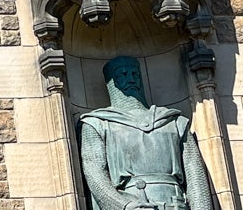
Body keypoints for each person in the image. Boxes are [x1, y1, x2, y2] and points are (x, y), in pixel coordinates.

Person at [79, 56, 210, 210]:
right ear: (112, 83)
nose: (131, 79)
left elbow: (196, 178)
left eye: (135, 74)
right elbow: (95, 174)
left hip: (176, 204)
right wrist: (125, 206)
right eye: (123, 75)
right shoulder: (97, 123)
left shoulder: (174, 122)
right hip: (133, 203)